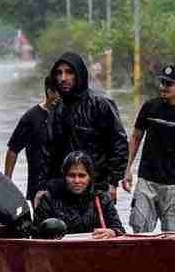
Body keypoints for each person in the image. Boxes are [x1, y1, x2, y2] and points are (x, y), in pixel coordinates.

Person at [122, 64, 175, 233]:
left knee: (173, 235)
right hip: (146, 180)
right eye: (162, 83)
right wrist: (127, 168)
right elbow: (136, 137)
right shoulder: (150, 107)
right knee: (139, 227)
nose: (163, 87)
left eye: (168, 84)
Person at [38, 52, 128, 201]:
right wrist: (42, 187)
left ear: (79, 75)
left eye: (69, 72)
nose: (63, 78)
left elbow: (119, 145)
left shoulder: (100, 104)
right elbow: (48, 153)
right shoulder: (57, 110)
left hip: (97, 187)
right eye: (59, 73)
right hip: (63, 189)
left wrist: (113, 182)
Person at [34, 151, 124, 238]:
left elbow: (120, 231)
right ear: (64, 176)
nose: (77, 181)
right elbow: (36, 235)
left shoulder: (102, 199)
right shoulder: (49, 200)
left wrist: (113, 232)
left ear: (90, 177)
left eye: (82, 176)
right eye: (71, 175)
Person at [4, 75, 58, 201]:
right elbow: (13, 149)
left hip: (63, 184)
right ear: (49, 92)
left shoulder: (67, 115)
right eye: (59, 93)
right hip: (38, 184)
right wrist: (7, 181)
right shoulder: (31, 118)